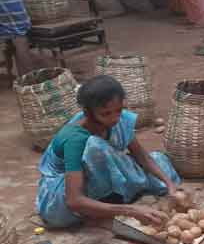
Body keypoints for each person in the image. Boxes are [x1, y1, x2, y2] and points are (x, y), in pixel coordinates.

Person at [36, 75, 181, 229]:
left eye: (118, 110)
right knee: (94, 148)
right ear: (88, 112)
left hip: (100, 171)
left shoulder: (120, 119)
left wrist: (169, 184)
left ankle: (111, 202)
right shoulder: (75, 138)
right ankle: (102, 208)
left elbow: (142, 157)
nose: (114, 118)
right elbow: (74, 200)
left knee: (158, 160)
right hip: (64, 192)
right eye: (105, 113)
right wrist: (131, 211)